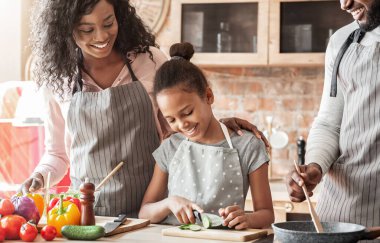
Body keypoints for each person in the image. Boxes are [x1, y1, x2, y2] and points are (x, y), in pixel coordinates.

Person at [20, 0, 269, 217]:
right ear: (67, 29)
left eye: (108, 23)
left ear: (119, 15)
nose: (101, 36)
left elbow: (178, 124)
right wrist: (39, 177)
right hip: (91, 217)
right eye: (87, 29)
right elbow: (57, 155)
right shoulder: (60, 79)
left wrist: (221, 124)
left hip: (152, 212)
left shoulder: (148, 60)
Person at [138, 43, 274, 229]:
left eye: (187, 112)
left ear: (208, 96)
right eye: (171, 119)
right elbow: (145, 212)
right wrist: (170, 202)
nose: (182, 124)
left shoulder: (248, 146)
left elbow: (267, 214)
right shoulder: (170, 147)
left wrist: (247, 218)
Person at [286, 0, 380, 227]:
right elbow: (329, 122)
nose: (345, 4)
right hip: (343, 210)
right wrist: (315, 166)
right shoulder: (341, 40)